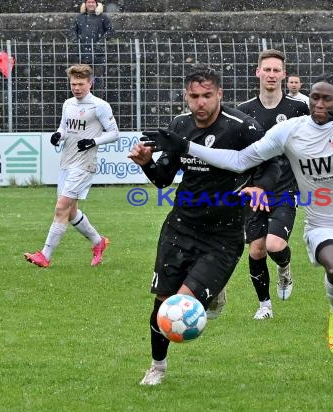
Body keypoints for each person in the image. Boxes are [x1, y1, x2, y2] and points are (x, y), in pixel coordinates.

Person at [154, 74, 333, 383]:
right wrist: (188, 146)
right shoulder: (290, 131)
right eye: (315, 97)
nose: (318, 103)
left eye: (327, 99)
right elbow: (240, 160)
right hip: (322, 224)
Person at [128, 64, 278, 386]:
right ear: (186, 95)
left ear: (220, 94)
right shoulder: (179, 127)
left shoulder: (242, 128)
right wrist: (146, 164)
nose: (200, 103)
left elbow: (270, 165)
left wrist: (259, 187)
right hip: (180, 226)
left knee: (178, 304)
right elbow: (163, 179)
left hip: (223, 234)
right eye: (194, 96)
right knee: (161, 304)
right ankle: (157, 366)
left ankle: (205, 293)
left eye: (207, 95)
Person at [234, 49, 309, 320]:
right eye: (267, 69)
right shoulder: (243, 111)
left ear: (284, 75)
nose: (272, 74)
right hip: (254, 190)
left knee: (275, 246)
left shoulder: (298, 109)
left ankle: (285, 270)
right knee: (256, 249)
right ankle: (264, 305)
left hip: (285, 187)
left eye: (277, 70)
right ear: (258, 72)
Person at [24, 64, 119, 268]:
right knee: (71, 212)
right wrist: (59, 136)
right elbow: (64, 127)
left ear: (90, 83)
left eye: (81, 84)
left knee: (60, 208)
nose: (76, 88)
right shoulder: (68, 103)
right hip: (67, 161)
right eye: (73, 84)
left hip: (84, 164)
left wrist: (94, 141)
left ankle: (45, 256)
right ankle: (98, 242)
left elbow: (114, 133)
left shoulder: (99, 106)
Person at [69, 0, 114, 86]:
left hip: (98, 54)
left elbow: (110, 31)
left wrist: (100, 43)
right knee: (82, 79)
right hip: (82, 54)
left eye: (93, 2)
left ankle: (98, 99)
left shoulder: (103, 17)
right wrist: (77, 43)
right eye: (88, 2)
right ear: (85, 4)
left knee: (98, 80)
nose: (91, 4)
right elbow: (72, 31)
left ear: (96, 4)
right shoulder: (79, 17)